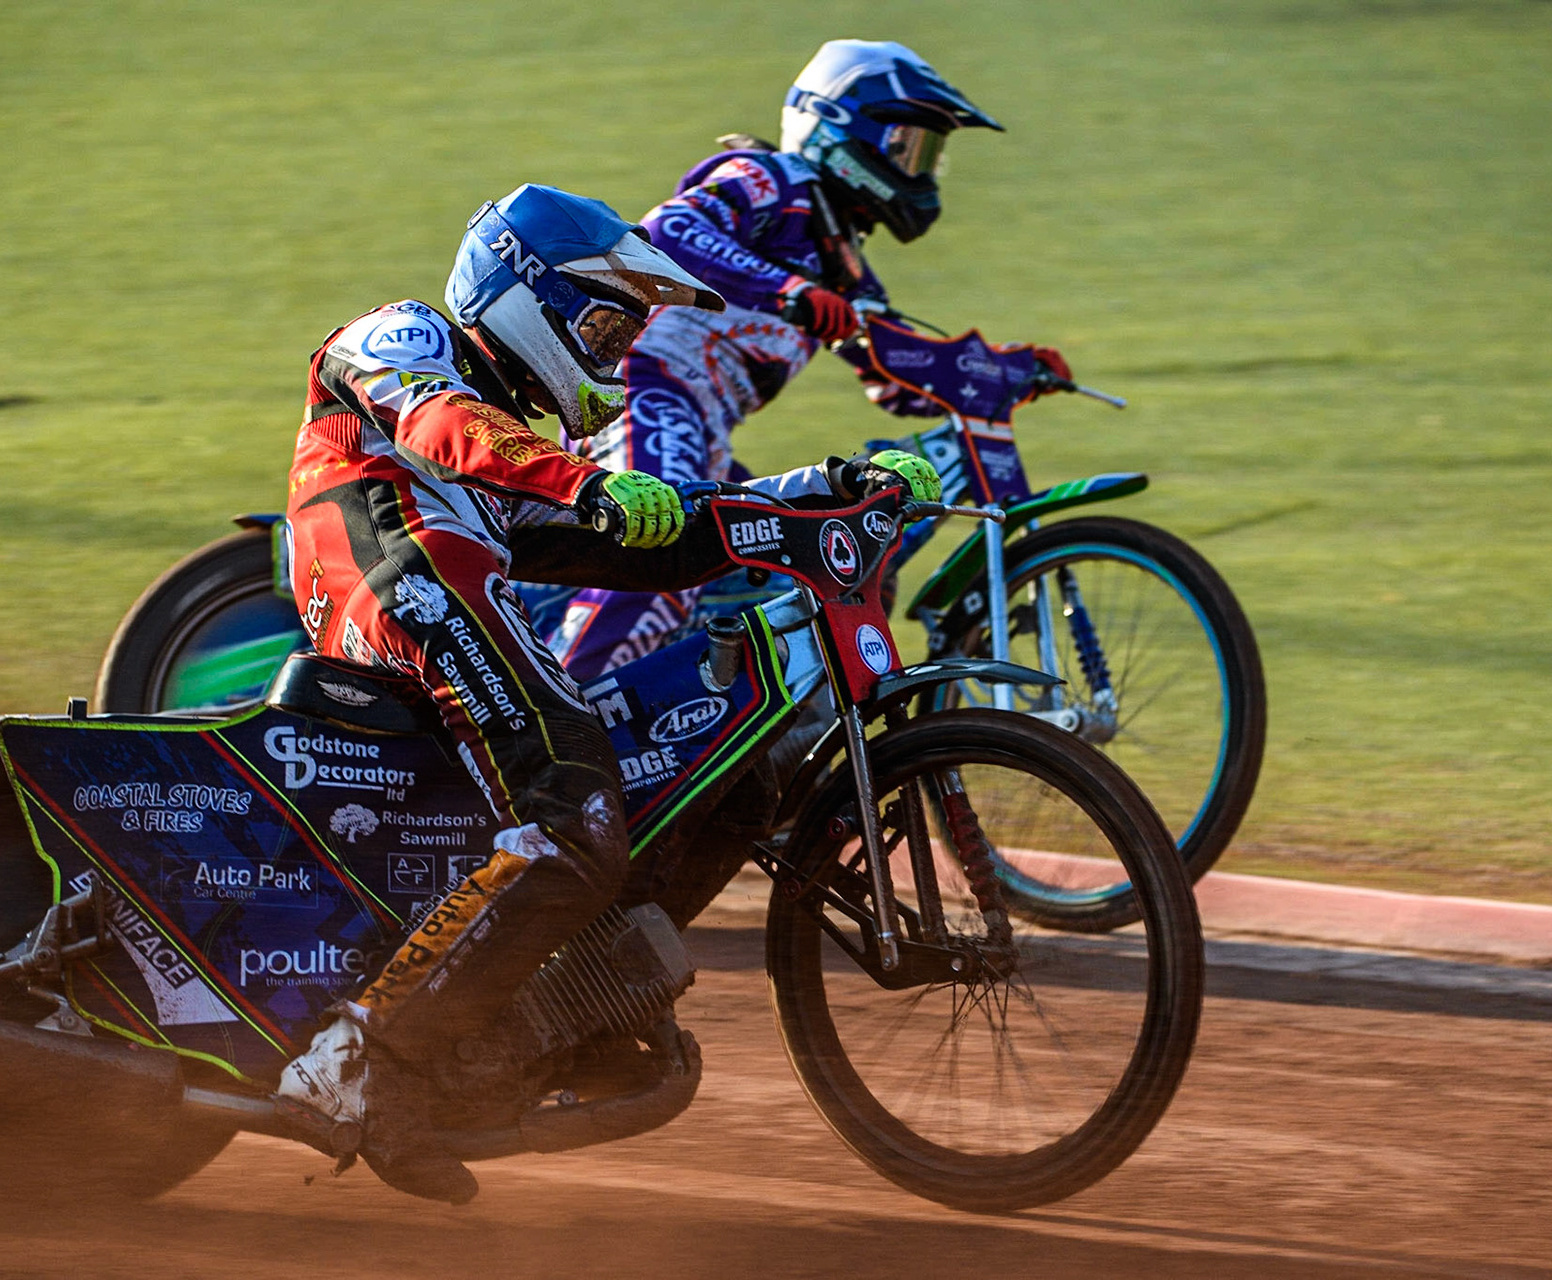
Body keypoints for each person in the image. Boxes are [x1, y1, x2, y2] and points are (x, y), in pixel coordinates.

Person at [274, 183, 940, 1204]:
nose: (615, 352)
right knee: (576, 804)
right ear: (518, 290)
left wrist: (820, 492)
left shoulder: (530, 446)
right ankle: (351, 1059)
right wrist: (582, 483)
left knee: (738, 783)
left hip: (444, 591)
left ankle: (557, 1014)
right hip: (390, 582)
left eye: (626, 331)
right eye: (600, 322)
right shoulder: (402, 338)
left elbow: (664, 541)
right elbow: (446, 425)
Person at [549, 39, 1069, 681]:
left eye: (929, 152)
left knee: (777, 566)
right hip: (647, 393)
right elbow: (669, 230)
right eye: (908, 144)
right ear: (842, 128)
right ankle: (551, 721)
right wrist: (788, 291)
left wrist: (1001, 372)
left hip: (702, 429)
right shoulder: (773, 181)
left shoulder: (844, 263)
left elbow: (895, 376)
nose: (922, 167)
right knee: (662, 560)